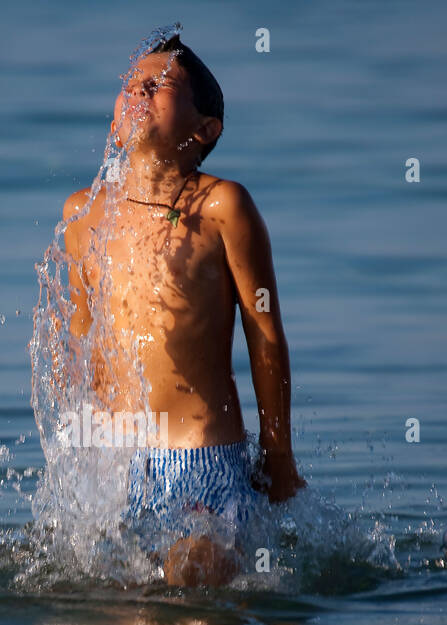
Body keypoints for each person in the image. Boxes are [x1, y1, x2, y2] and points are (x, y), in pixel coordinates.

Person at [59, 33, 304, 587]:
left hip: (202, 463)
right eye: (129, 85)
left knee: (188, 591)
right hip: (116, 471)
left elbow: (265, 333)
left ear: (204, 130)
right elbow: (82, 336)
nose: (137, 91)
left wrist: (278, 456)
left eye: (159, 84)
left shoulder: (224, 208)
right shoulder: (85, 214)